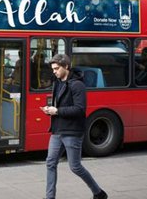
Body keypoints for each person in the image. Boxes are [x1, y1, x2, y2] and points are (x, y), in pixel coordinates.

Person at [41, 54, 107, 199]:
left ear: (66, 67)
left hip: (72, 131)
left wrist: (57, 111)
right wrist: (50, 110)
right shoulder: (57, 83)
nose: (54, 72)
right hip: (57, 130)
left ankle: (99, 193)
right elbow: (59, 105)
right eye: (53, 69)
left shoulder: (78, 85)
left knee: (75, 167)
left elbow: (79, 109)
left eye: (57, 69)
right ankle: (49, 197)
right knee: (50, 163)